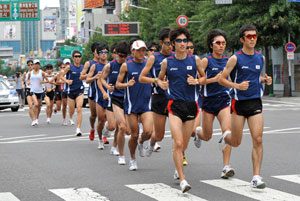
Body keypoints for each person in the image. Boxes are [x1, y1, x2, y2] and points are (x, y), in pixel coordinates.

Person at [218, 24, 272, 189]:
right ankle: (226, 137)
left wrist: (265, 80)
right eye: (249, 36)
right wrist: (237, 86)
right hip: (238, 103)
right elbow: (221, 79)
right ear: (242, 39)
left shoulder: (260, 58)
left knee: (258, 139)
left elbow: (256, 76)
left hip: (255, 101)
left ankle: (256, 176)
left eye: (254, 36)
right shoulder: (235, 58)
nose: (252, 39)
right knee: (236, 142)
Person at [157, 27, 205, 193]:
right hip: (174, 105)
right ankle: (183, 180)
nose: (183, 44)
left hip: (191, 105)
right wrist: (160, 83)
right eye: (179, 41)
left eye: (185, 41)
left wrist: (197, 81)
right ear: (172, 44)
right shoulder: (167, 62)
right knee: (177, 143)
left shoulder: (195, 60)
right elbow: (160, 79)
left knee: (183, 145)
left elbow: (204, 78)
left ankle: (178, 167)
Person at [193, 29, 235, 179]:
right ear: (211, 45)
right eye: (218, 43)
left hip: (224, 99)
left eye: (223, 43)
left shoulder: (228, 61)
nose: (221, 46)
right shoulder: (206, 61)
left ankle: (226, 166)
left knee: (228, 131)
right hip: (208, 101)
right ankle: (198, 133)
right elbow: (200, 81)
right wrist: (213, 79)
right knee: (207, 135)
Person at [116, 40, 153, 171]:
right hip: (131, 105)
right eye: (138, 50)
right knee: (134, 134)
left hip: (146, 104)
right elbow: (118, 84)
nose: (141, 53)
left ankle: (142, 142)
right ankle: (132, 158)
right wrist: (127, 85)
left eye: (143, 50)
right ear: (132, 52)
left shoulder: (149, 64)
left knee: (148, 131)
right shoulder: (126, 66)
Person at [139, 28, 173, 156]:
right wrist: (156, 81)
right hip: (159, 98)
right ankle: (149, 142)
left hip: (175, 98)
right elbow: (141, 78)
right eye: (167, 43)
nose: (170, 46)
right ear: (161, 42)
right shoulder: (154, 58)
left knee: (178, 133)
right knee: (159, 135)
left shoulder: (177, 57)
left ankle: (180, 159)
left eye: (172, 43)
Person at [101, 41, 130, 165]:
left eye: (125, 56)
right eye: (120, 56)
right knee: (116, 126)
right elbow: (101, 79)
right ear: (116, 54)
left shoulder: (129, 65)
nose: (122, 58)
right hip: (115, 98)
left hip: (127, 99)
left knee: (123, 128)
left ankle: (114, 146)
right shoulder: (109, 66)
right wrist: (107, 87)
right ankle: (107, 129)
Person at [86, 43, 109, 149]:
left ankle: (105, 132)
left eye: (105, 52)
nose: (104, 54)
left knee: (108, 119)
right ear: (98, 54)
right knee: (100, 119)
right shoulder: (95, 66)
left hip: (110, 96)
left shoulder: (111, 65)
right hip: (98, 95)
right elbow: (87, 80)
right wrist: (95, 76)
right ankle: (100, 139)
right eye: (101, 52)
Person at [60, 51, 85, 136]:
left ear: (81, 58)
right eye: (76, 56)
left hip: (80, 90)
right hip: (71, 91)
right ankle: (70, 117)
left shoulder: (83, 67)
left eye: (79, 56)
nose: (77, 58)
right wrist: (67, 81)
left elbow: (88, 75)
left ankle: (78, 129)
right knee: (72, 110)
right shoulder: (69, 67)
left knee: (79, 108)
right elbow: (61, 76)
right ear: (73, 58)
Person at [80, 42, 101, 141]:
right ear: (94, 52)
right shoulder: (89, 63)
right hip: (93, 92)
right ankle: (92, 128)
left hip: (103, 92)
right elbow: (81, 76)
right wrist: (91, 75)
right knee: (94, 115)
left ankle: (103, 136)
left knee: (103, 116)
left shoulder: (106, 63)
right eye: (98, 51)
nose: (100, 53)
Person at [27, 59, 49, 126]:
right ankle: (33, 119)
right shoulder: (31, 73)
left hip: (40, 91)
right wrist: (28, 82)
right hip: (33, 91)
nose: (36, 65)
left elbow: (47, 80)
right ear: (33, 65)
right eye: (35, 64)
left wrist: (43, 82)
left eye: (38, 64)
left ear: (39, 65)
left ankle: (36, 118)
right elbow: (28, 79)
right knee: (35, 104)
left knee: (38, 106)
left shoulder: (42, 72)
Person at [22, 60, 35, 125]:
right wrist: (22, 85)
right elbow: (22, 80)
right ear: (27, 66)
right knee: (30, 106)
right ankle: (33, 120)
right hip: (28, 89)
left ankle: (35, 117)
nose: (30, 66)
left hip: (35, 89)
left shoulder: (36, 72)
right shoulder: (25, 73)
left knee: (35, 105)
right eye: (29, 65)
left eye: (31, 64)